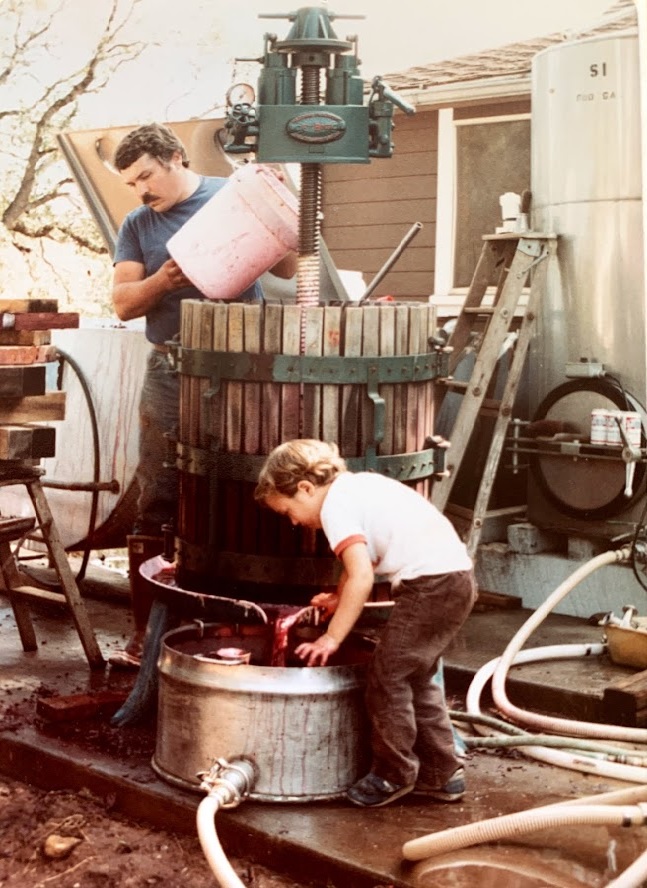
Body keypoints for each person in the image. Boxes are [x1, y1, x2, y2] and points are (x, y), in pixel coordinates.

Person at [109, 123, 296, 668]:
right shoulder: (139, 223)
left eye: (146, 175)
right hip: (171, 368)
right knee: (160, 493)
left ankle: (245, 624)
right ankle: (147, 635)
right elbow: (122, 302)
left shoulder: (234, 194)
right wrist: (165, 281)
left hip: (246, 369)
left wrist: (284, 202)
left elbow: (286, 266)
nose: (141, 190)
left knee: (249, 490)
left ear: (174, 157)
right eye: (132, 182)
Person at [254, 439, 477, 808]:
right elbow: (363, 563)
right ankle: (442, 773)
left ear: (306, 488)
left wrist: (331, 637)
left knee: (386, 677)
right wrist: (338, 598)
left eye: (289, 510)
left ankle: (393, 774)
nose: (293, 522)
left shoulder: (334, 510)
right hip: (455, 580)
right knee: (415, 678)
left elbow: (361, 578)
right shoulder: (358, 488)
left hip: (430, 586)